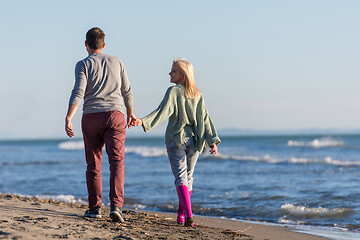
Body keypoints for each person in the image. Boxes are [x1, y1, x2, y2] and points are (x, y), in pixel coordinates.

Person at [130, 58, 220, 227]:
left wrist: (143, 121)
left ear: (183, 75)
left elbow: (162, 112)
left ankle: (188, 215)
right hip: (194, 141)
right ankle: (182, 214)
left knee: (181, 178)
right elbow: (205, 119)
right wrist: (212, 141)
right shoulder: (197, 95)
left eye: (174, 71)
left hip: (176, 140)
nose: (170, 73)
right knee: (188, 178)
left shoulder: (173, 92)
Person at [65, 27, 135, 222]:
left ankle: (95, 208)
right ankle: (116, 207)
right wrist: (130, 113)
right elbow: (127, 91)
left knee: (93, 164)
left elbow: (78, 91)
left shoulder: (82, 64)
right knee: (117, 162)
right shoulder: (117, 61)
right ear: (103, 45)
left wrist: (69, 116)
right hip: (115, 115)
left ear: (86, 45)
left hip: (91, 116)